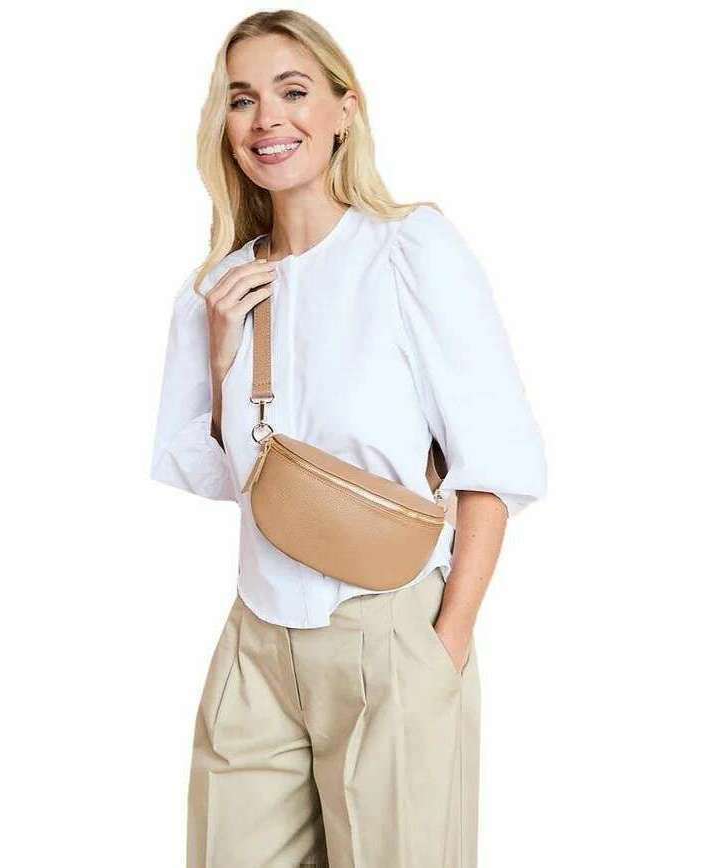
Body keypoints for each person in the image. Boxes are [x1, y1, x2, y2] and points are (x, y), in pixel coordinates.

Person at [150, 10, 547, 867]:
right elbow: (215, 475)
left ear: (344, 110)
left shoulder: (408, 249)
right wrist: (222, 351)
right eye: (242, 99)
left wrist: (446, 643)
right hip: (256, 639)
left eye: (294, 92)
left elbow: (494, 461)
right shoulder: (218, 287)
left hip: (388, 631)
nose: (268, 120)